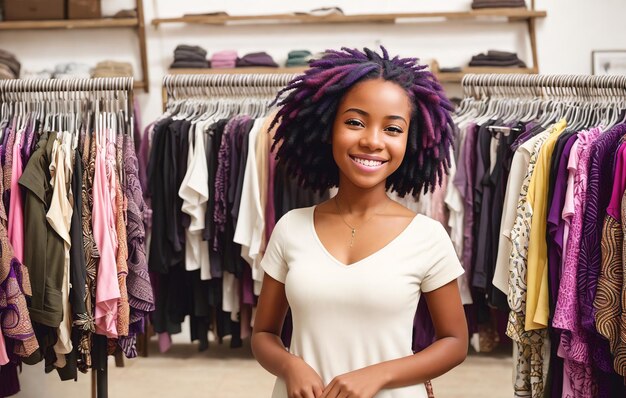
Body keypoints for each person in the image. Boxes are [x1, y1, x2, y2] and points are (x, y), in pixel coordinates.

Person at [251, 47, 468, 398]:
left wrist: (378, 375)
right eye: (355, 122)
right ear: (327, 128)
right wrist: (290, 365)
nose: (372, 141)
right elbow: (263, 335)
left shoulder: (427, 236)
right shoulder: (290, 228)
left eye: (393, 129)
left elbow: (455, 342)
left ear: (409, 141)